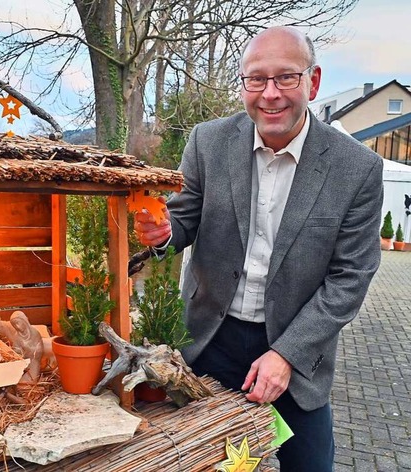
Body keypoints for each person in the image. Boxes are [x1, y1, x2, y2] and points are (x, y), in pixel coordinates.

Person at [135, 26, 383, 471]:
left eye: (286, 78)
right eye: (256, 79)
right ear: (244, 83)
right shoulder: (208, 141)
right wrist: (164, 233)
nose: (270, 94)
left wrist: (287, 354)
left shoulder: (357, 169)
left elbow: (350, 278)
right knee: (198, 462)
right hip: (209, 340)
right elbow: (184, 218)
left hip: (297, 347)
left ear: (314, 80)